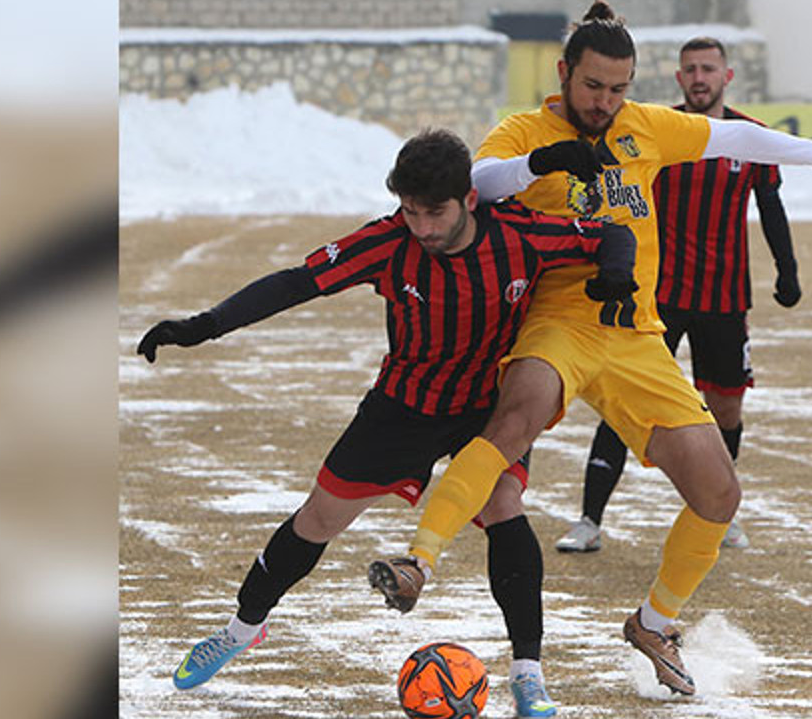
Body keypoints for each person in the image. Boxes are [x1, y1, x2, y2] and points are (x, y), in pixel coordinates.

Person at [368, 0, 812, 699]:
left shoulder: (646, 126)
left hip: (638, 336)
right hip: (558, 322)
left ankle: (653, 623)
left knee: (718, 493)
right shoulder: (526, 128)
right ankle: (418, 563)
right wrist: (540, 162)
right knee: (514, 419)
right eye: (593, 88)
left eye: (619, 88)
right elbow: (481, 184)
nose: (607, 103)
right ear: (565, 74)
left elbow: (735, 141)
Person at [137, 128, 636, 718]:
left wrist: (616, 272)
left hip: (486, 410)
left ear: (469, 200)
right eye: (411, 210)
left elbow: (612, 232)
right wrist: (205, 325)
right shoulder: (388, 242)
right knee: (318, 519)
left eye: (435, 212)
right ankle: (241, 629)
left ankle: (528, 672)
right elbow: (298, 282)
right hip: (403, 407)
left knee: (504, 507)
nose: (421, 226)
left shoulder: (519, 235)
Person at [555, 36, 800, 555]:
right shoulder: (655, 134)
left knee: (726, 409)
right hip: (657, 297)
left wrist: (787, 269)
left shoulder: (746, 138)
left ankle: (719, 514)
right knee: (624, 403)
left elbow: (772, 206)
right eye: (689, 69)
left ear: (726, 76)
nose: (698, 77)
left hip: (725, 297)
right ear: (678, 78)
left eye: (708, 68)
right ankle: (589, 519)